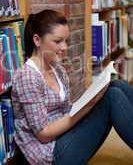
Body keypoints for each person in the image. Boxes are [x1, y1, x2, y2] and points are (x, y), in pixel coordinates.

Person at [11, 9, 133, 165]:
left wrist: (92, 96)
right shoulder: (27, 77)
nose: (64, 47)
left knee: (115, 85)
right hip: (51, 153)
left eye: (66, 41)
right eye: (57, 41)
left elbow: (66, 110)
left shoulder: (57, 69)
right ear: (37, 40)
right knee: (112, 97)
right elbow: (44, 134)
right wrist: (88, 106)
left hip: (66, 136)